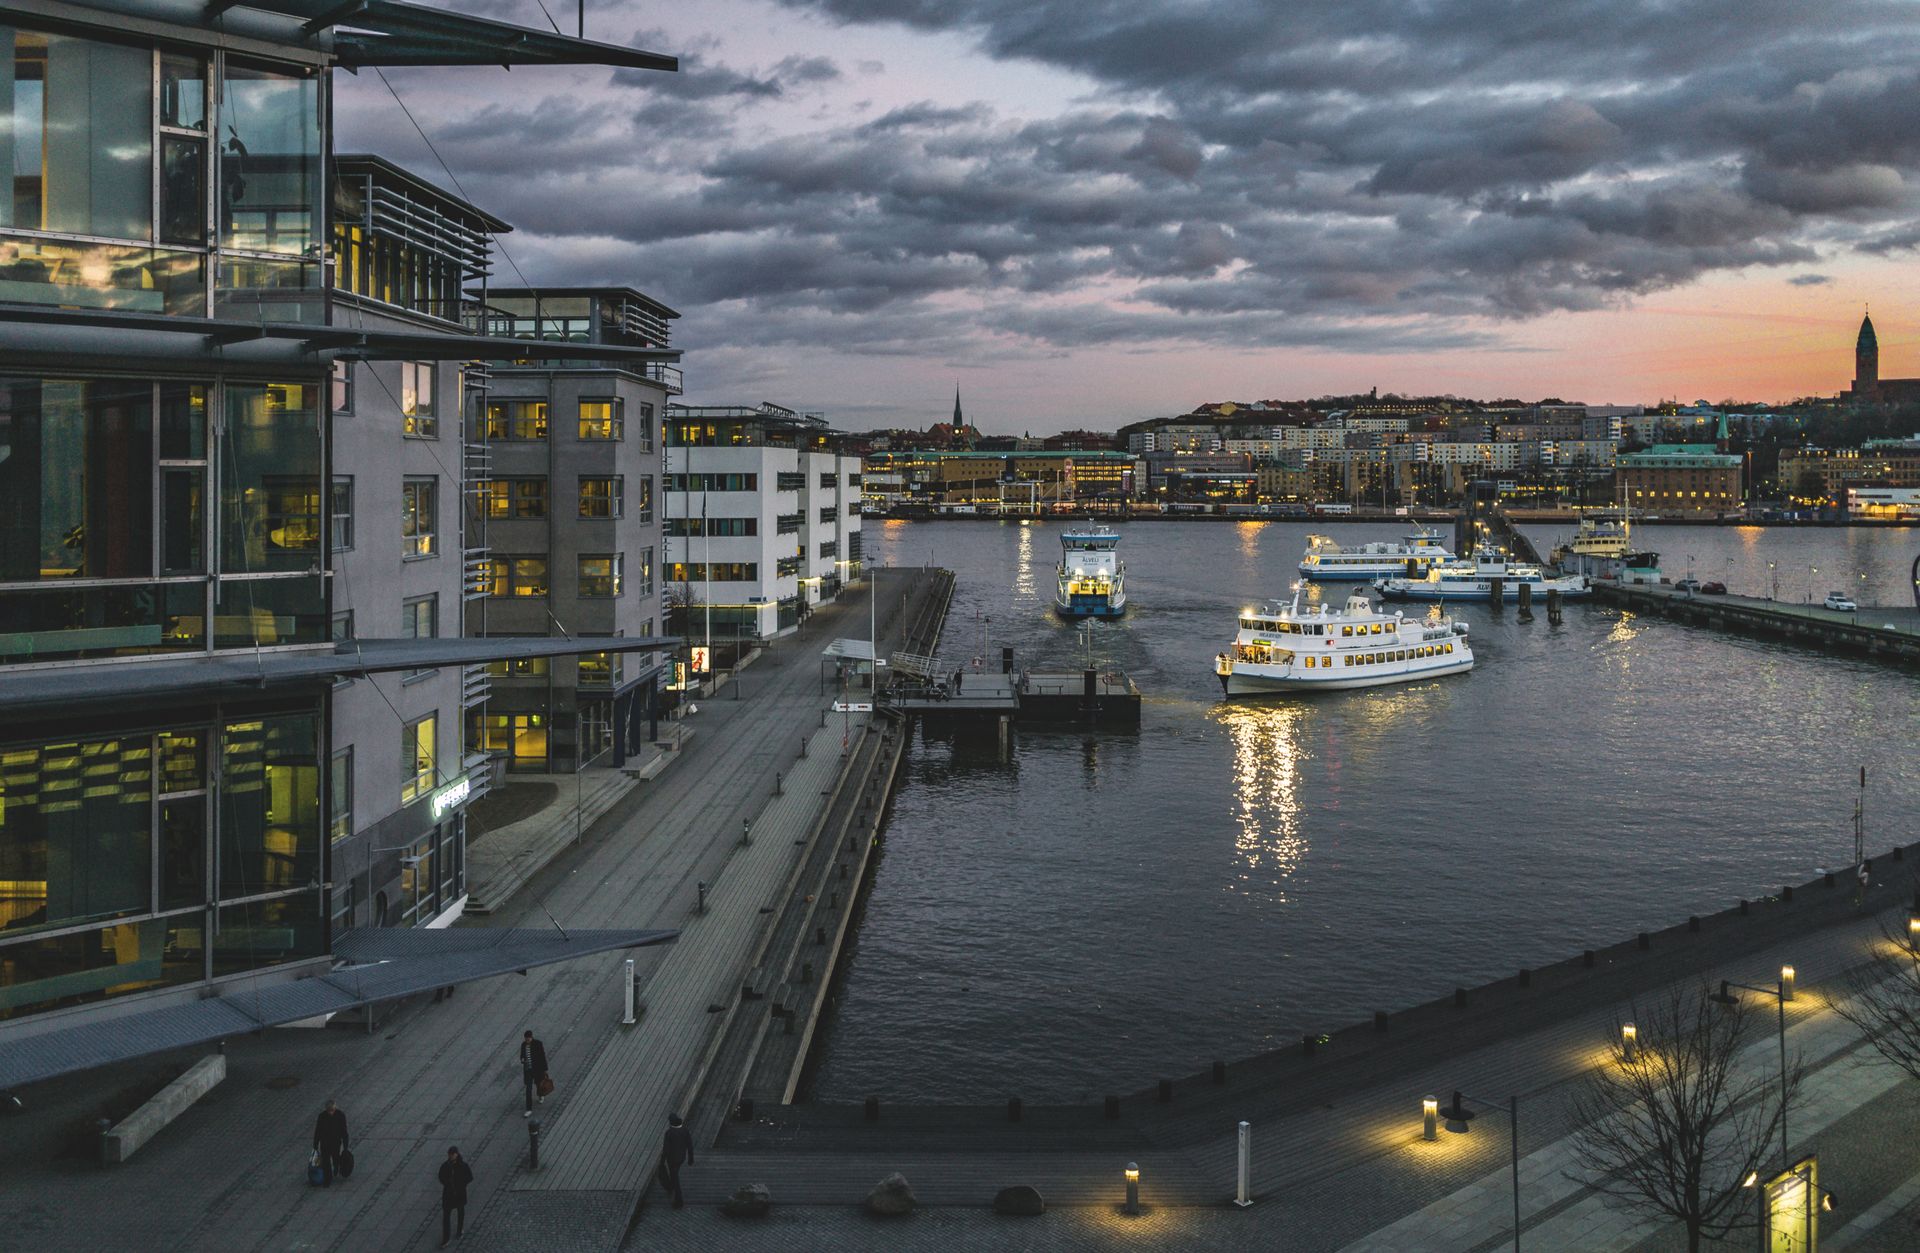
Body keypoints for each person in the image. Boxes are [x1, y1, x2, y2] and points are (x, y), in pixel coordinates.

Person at [438, 1146, 473, 1246]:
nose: (451, 1156)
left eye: (452, 1154)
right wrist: (447, 1183)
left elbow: (469, 1177)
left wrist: (462, 1184)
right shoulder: (445, 1166)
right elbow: (440, 1176)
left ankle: (459, 1230)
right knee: (446, 1216)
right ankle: (446, 1238)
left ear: (456, 1154)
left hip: (459, 1193)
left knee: (460, 1211)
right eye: (449, 1154)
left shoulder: (463, 1166)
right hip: (448, 1194)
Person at [660, 1113, 694, 1209]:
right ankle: (671, 1186)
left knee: (675, 1177)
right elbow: (690, 1145)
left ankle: (679, 1201)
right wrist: (691, 1158)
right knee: (674, 1174)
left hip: (671, 1159)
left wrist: (662, 1160)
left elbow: (666, 1149)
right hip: (681, 1158)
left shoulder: (669, 1133)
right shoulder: (685, 1131)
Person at [312, 1099, 348, 1187]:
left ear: (335, 1108)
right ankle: (328, 1179)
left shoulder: (340, 1115)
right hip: (325, 1143)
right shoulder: (322, 1116)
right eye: (329, 1110)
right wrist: (315, 1144)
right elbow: (318, 1131)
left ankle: (336, 1167)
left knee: (336, 1157)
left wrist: (346, 1144)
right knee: (326, 1162)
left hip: (336, 1142)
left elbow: (344, 1131)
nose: (331, 1112)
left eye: (332, 1110)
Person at [517, 1030, 548, 1116]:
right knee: (528, 1089)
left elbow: (542, 1056)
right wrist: (522, 1059)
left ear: (531, 1037)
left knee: (538, 1084)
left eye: (528, 1039)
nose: (527, 1040)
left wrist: (544, 1069)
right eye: (526, 1039)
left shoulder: (538, 1044)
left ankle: (541, 1095)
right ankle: (529, 1109)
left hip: (537, 1070)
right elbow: (522, 1055)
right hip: (528, 1071)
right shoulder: (523, 1045)